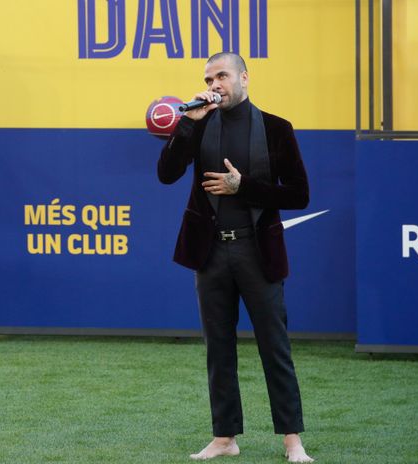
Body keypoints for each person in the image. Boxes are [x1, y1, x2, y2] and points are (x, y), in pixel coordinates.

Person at [157, 53, 314, 463]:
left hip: (256, 252)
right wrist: (186, 125)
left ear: (244, 77)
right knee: (218, 349)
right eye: (209, 78)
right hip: (210, 254)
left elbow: (299, 195)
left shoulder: (277, 129)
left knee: (275, 347)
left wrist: (243, 186)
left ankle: (292, 440)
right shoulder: (199, 123)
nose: (214, 85)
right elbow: (166, 174)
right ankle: (225, 437)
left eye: (222, 76)